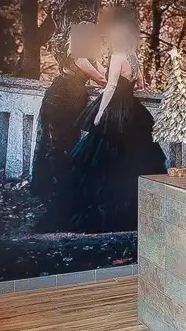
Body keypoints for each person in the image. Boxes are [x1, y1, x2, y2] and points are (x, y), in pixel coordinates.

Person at [64, 15, 168, 232]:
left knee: (101, 156)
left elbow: (110, 87)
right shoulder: (135, 59)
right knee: (133, 157)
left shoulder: (117, 56)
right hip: (133, 110)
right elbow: (140, 86)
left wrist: (100, 112)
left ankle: (102, 208)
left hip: (115, 109)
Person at [31, 23, 106, 232]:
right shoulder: (78, 55)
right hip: (59, 101)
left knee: (69, 146)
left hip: (73, 104)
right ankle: (58, 193)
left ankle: (64, 192)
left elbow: (103, 72)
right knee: (59, 147)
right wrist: (115, 84)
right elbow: (100, 78)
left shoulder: (91, 56)